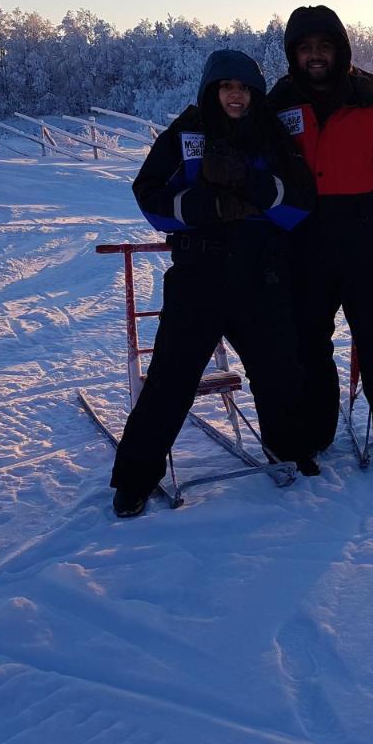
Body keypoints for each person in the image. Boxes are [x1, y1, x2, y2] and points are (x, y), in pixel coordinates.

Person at [110, 49, 317, 518]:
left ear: (255, 92)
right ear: (211, 90)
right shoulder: (185, 133)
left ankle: (290, 450)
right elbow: (147, 194)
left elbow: (301, 203)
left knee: (279, 370)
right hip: (198, 277)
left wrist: (255, 188)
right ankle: (134, 480)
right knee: (169, 380)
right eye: (226, 87)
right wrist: (200, 206)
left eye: (243, 87)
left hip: (261, 276)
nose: (236, 96)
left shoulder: (273, 137)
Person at [267, 5, 373, 470]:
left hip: (361, 236)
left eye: (325, 46)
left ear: (341, 49)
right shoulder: (277, 105)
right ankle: (315, 435)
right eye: (305, 48)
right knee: (307, 343)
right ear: (293, 54)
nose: (316, 56)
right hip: (302, 241)